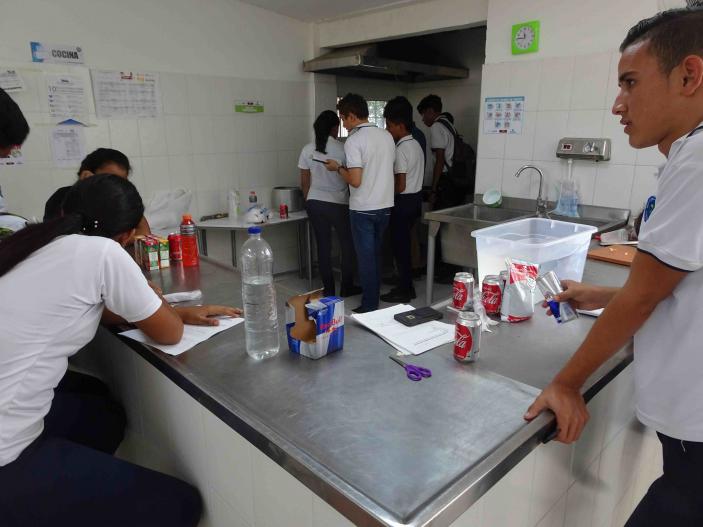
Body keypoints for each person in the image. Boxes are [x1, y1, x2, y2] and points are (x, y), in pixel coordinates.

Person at [523, 8, 703, 526]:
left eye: (630, 83)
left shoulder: (696, 159)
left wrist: (567, 383)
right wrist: (599, 295)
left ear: (688, 75)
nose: (617, 105)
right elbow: (674, 283)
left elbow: (645, 295)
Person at [0, 174, 240, 527]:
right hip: (7, 457)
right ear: (128, 235)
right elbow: (170, 334)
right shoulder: (103, 252)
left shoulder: (34, 241)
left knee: (103, 415)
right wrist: (171, 314)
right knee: (181, 504)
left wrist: (179, 311)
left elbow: (94, 307)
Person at [324, 93, 395, 313]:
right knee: (375, 254)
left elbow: (355, 180)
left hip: (364, 208)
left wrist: (337, 168)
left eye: (344, 119)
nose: (343, 124)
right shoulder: (386, 136)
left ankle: (370, 304)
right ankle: (374, 296)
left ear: (352, 116)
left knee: (365, 258)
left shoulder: (354, 140)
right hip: (385, 205)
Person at [298, 110, 360, 297]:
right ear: (335, 127)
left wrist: (309, 201)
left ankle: (329, 290)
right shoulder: (344, 149)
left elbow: (304, 182)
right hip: (339, 204)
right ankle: (347, 287)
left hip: (315, 203)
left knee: (323, 247)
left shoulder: (307, 149)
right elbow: (352, 177)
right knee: (346, 245)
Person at [44, 148, 151, 236]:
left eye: (122, 182)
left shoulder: (117, 202)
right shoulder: (62, 198)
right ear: (87, 176)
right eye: (110, 179)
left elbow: (145, 234)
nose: (117, 187)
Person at [380, 97, 424, 303]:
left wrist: (386, 194)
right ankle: (405, 283)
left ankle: (405, 289)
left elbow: (401, 185)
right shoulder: (415, 144)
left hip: (403, 203)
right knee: (404, 246)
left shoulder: (401, 149)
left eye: (389, 126)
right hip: (415, 201)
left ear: (399, 125)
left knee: (400, 247)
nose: (388, 130)